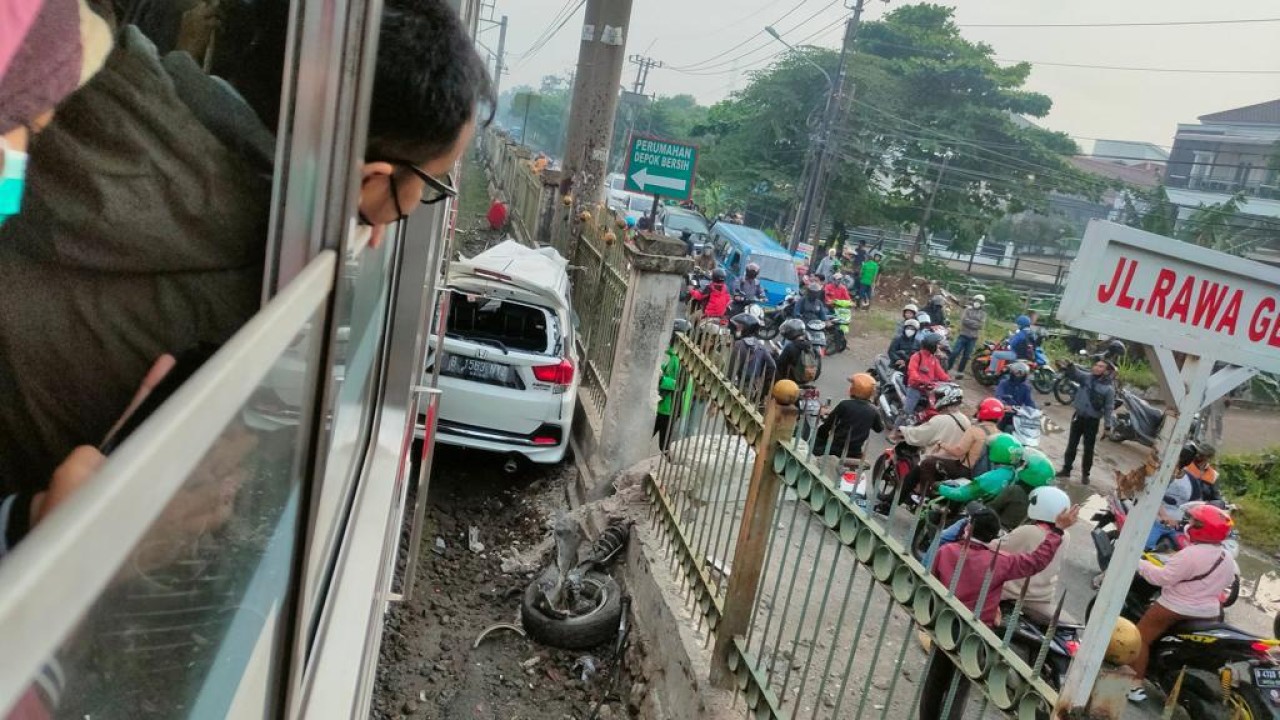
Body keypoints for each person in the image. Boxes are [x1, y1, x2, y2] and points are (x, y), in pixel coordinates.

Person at [0, 0, 495, 542]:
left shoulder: (65, 65)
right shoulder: (246, 298)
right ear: (370, 177)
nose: (412, 206)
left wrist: (354, 205)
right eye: (428, 185)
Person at [921, 501, 1078, 720]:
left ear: (969, 528)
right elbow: (1036, 561)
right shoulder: (1001, 562)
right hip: (976, 633)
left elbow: (930, 586)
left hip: (944, 623)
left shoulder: (947, 551)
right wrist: (1058, 531)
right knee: (960, 683)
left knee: (935, 681)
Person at [1127, 504, 1238, 703]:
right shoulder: (1228, 558)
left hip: (1177, 606)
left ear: (1203, 528)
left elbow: (1162, 578)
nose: (1189, 524)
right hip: (1209, 612)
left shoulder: (1191, 554)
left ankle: (1134, 685)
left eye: (1194, 521)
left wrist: (1139, 562)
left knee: (1139, 638)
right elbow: (1227, 582)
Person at [999, 487, 1074, 619]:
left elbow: (994, 547)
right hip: (1043, 596)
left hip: (1012, 593)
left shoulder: (1028, 531)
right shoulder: (1065, 535)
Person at [893, 385, 971, 506]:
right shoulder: (966, 420)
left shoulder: (940, 419)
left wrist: (902, 431)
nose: (936, 399)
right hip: (956, 465)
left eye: (939, 397)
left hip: (937, 461)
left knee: (910, 477)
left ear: (947, 399)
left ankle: (889, 505)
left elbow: (920, 434)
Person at [1055, 358, 1116, 485]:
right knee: (1072, 445)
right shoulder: (1086, 378)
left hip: (1092, 422)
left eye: (1101, 366)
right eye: (1096, 365)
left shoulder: (1109, 389)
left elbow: (1109, 408)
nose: (1096, 367)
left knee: (1088, 449)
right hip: (1078, 417)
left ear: (1107, 371)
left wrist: (1107, 426)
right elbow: (1075, 373)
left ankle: (1085, 475)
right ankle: (1066, 470)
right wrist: (1070, 365)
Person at [815, 373, 883, 460]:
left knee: (813, 447)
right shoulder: (873, 410)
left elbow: (828, 424)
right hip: (855, 452)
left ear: (854, 388)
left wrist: (821, 434)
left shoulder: (845, 404)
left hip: (835, 449)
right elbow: (879, 429)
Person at [655, 319, 690, 449]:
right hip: (664, 405)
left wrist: (661, 379)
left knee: (664, 445)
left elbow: (681, 384)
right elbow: (670, 372)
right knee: (661, 442)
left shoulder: (681, 359)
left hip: (670, 407)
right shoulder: (674, 356)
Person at [727, 312, 775, 400]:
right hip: (752, 388)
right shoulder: (760, 347)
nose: (736, 329)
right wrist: (763, 385)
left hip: (737, 386)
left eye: (739, 327)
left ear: (746, 329)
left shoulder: (739, 344)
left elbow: (731, 372)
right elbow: (772, 366)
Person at [1145, 469, 1194, 550]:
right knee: (1145, 547)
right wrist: (1164, 516)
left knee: (1187, 549)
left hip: (1177, 527)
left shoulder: (1191, 479)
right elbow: (1152, 494)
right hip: (1155, 522)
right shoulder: (1159, 473)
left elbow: (1194, 502)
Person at [904, 334, 950, 418]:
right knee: (907, 412)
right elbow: (912, 371)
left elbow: (940, 373)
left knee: (935, 407)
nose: (939, 347)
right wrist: (921, 381)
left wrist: (949, 381)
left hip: (928, 389)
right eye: (937, 345)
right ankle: (897, 425)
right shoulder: (917, 356)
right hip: (916, 388)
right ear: (931, 345)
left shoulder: (933, 359)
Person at [947, 294, 986, 376]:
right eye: (977, 300)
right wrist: (975, 323)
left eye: (980, 301)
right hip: (963, 335)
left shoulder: (983, 313)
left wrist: (970, 322)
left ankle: (960, 372)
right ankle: (948, 368)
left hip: (973, 338)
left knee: (966, 356)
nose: (978, 302)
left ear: (982, 303)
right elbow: (964, 320)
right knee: (955, 352)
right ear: (974, 301)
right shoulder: (967, 310)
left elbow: (981, 325)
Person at [776, 318, 819, 386]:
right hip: (806, 380)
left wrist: (776, 354)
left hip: (790, 380)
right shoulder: (811, 346)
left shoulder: (790, 347)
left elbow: (780, 364)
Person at [995, 362, 1036, 432]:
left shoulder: (1026, 387)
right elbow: (998, 396)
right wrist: (1005, 405)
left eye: (1021, 374)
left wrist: (1035, 411)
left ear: (1025, 375)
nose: (1018, 376)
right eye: (1016, 373)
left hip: (1016, 413)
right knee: (997, 428)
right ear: (1012, 373)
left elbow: (1029, 402)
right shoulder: (1003, 383)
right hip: (1003, 412)